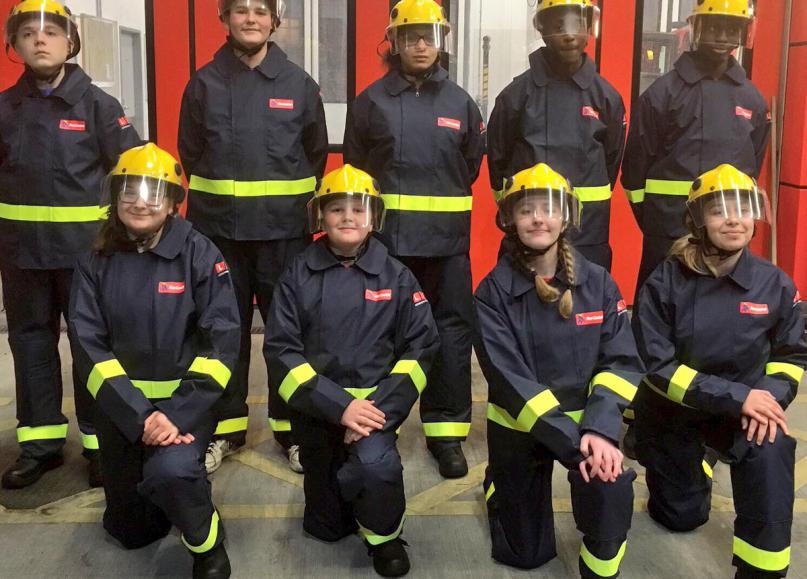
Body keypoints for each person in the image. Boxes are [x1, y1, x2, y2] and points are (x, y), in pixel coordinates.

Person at [68, 144, 240, 579]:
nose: (141, 202)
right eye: (130, 191)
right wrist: (141, 416)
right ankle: (171, 496)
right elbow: (89, 346)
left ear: (172, 203)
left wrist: (176, 414)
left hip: (184, 413)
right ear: (115, 198)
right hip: (123, 414)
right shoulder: (96, 258)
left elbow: (221, 345)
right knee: (130, 531)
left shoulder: (201, 255)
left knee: (172, 475)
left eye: (154, 193)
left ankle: (207, 541)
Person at [264, 165, 439, 577]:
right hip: (316, 413)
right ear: (320, 217)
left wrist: (376, 412)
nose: (348, 217)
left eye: (358, 209)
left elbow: (422, 347)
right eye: (336, 208)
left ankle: (385, 536)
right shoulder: (297, 275)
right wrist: (339, 407)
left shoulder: (397, 276)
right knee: (326, 527)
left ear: (374, 217)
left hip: (376, 414)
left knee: (376, 468)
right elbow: (281, 351)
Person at [632, 164, 806, 579]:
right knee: (680, 516)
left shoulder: (776, 285)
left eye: (743, 208)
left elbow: (791, 356)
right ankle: (678, 456)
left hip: (742, 415)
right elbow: (657, 368)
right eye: (720, 210)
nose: (734, 219)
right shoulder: (665, 282)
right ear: (697, 221)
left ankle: (761, 570)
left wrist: (766, 400)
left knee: (772, 448)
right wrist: (738, 396)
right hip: (676, 414)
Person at [178, 0, 328, 474]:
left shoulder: (300, 85)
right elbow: (191, 154)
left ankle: (293, 432)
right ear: (223, 18)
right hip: (218, 235)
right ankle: (224, 428)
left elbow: (315, 154)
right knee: (223, 335)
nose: (250, 19)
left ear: (274, 21)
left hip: (285, 236)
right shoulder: (202, 84)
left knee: (288, 337)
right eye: (239, 10)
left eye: (260, 11)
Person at [0, 0, 142, 489]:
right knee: (31, 346)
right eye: (27, 33)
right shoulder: (3, 109)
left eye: (51, 32)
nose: (40, 40)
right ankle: (40, 445)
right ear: (14, 45)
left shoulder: (100, 107)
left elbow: (133, 176)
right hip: (21, 258)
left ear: (70, 42)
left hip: (88, 259)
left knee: (91, 349)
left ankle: (102, 443)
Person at [475, 163, 641, 576]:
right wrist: (576, 442)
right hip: (521, 427)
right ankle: (498, 481)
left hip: (588, 427)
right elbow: (510, 381)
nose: (538, 218)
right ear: (510, 219)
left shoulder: (600, 283)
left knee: (612, 483)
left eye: (548, 208)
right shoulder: (492, 292)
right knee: (526, 556)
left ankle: (599, 566)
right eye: (526, 209)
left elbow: (620, 362)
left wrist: (600, 432)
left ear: (565, 217)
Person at [343, 0, 485, 478]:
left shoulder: (462, 102)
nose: (420, 44)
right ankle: (376, 426)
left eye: (429, 35)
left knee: (450, 337)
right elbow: (357, 171)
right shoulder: (371, 101)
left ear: (442, 41)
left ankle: (446, 435)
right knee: (377, 337)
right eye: (410, 36)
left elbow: (470, 167)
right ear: (394, 43)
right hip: (386, 247)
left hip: (447, 248)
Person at [621, 0, 769, 299]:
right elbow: (635, 170)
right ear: (697, 28)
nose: (722, 36)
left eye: (731, 28)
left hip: (727, 229)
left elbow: (754, 163)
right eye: (713, 26)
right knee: (660, 306)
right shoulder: (662, 94)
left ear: (742, 33)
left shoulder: (753, 100)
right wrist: (654, 222)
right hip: (668, 230)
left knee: (720, 307)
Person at [487, 0, 625, 271]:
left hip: (589, 232)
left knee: (586, 303)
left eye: (577, 24)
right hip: (530, 230)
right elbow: (497, 160)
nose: (569, 34)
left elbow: (612, 160)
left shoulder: (607, 98)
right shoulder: (515, 96)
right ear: (541, 28)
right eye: (558, 25)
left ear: (589, 27)